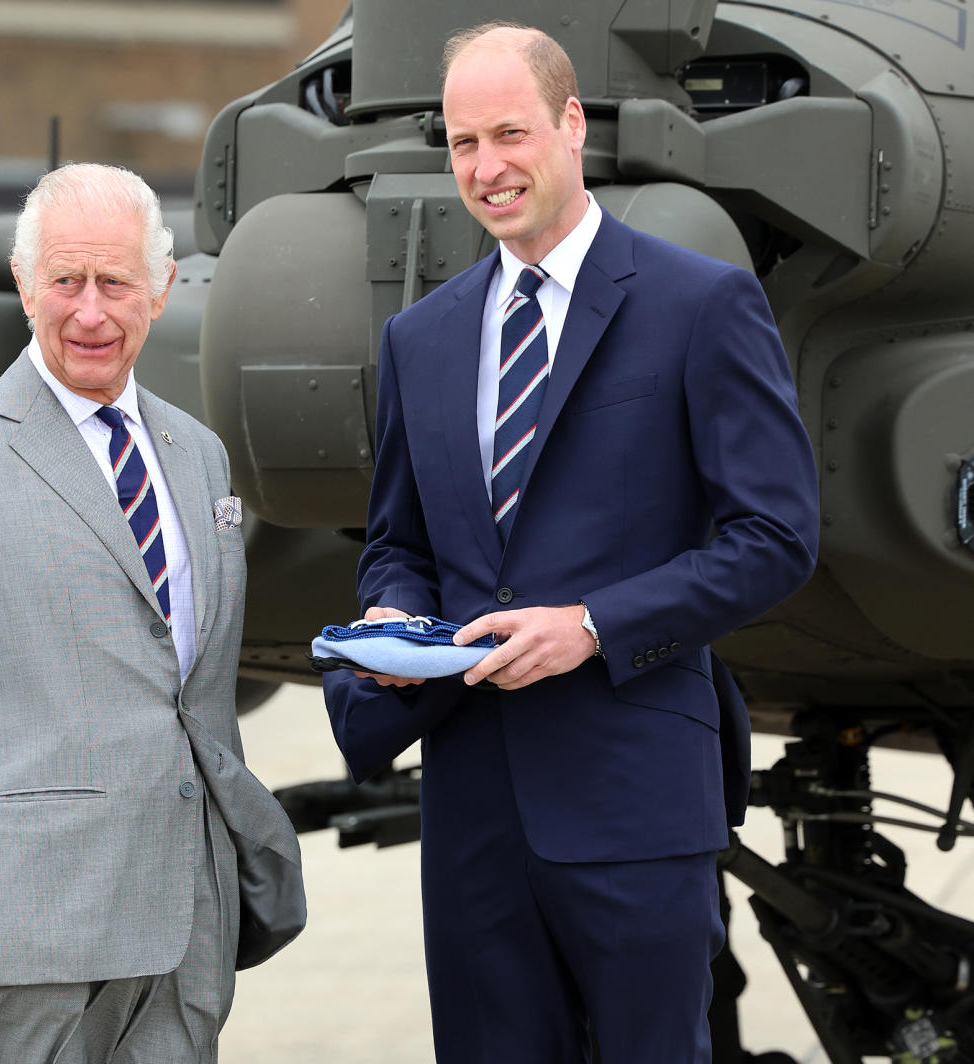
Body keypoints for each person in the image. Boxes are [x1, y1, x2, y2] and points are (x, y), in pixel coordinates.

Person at [323, 23, 819, 1064]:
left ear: (572, 124)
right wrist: (391, 614)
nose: (487, 167)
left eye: (509, 133)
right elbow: (397, 542)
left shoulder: (701, 303)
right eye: (463, 143)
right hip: (473, 808)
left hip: (636, 795)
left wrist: (595, 625)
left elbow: (776, 535)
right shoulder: (422, 338)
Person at [0, 162, 303, 1063]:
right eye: (65, 281)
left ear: (163, 287)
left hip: (188, 920)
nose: (90, 312)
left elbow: (195, 683)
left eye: (115, 282)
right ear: (25, 286)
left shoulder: (201, 458)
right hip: (33, 929)